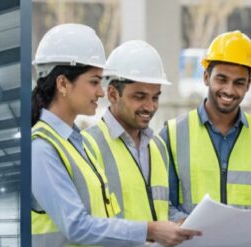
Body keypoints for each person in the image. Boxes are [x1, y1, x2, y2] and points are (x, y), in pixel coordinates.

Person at [29, 24, 200, 247]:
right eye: (93, 82)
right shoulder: (42, 148)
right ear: (62, 83)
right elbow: (77, 226)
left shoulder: (77, 145)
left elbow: (104, 214)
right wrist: (150, 230)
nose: (100, 92)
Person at [159, 31, 251, 220]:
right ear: (206, 77)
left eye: (239, 83)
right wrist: (186, 224)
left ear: (249, 84)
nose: (229, 90)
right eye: (222, 79)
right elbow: (162, 204)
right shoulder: (172, 134)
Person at [82, 40, 174, 223]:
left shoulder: (158, 147)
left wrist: (179, 222)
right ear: (113, 94)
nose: (150, 106)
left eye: (155, 97)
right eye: (139, 97)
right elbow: (88, 224)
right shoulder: (88, 147)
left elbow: (161, 207)